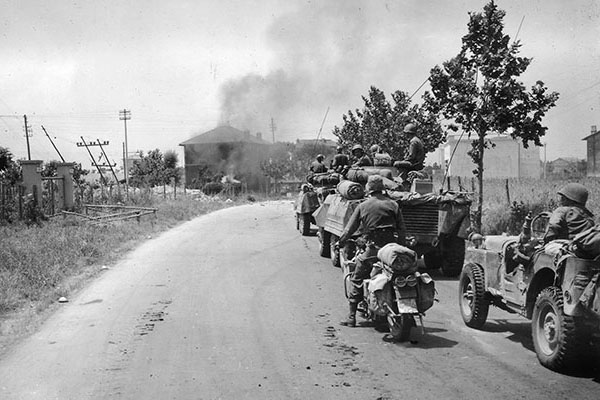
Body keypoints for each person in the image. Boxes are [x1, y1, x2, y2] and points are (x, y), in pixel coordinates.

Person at [338, 175, 407, 327]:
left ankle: (351, 317)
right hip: (391, 250)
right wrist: (401, 248)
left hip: (373, 249)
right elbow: (402, 230)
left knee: (356, 277)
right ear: (382, 188)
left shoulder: (363, 206)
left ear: (368, 188)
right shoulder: (394, 205)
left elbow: (349, 229)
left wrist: (340, 242)